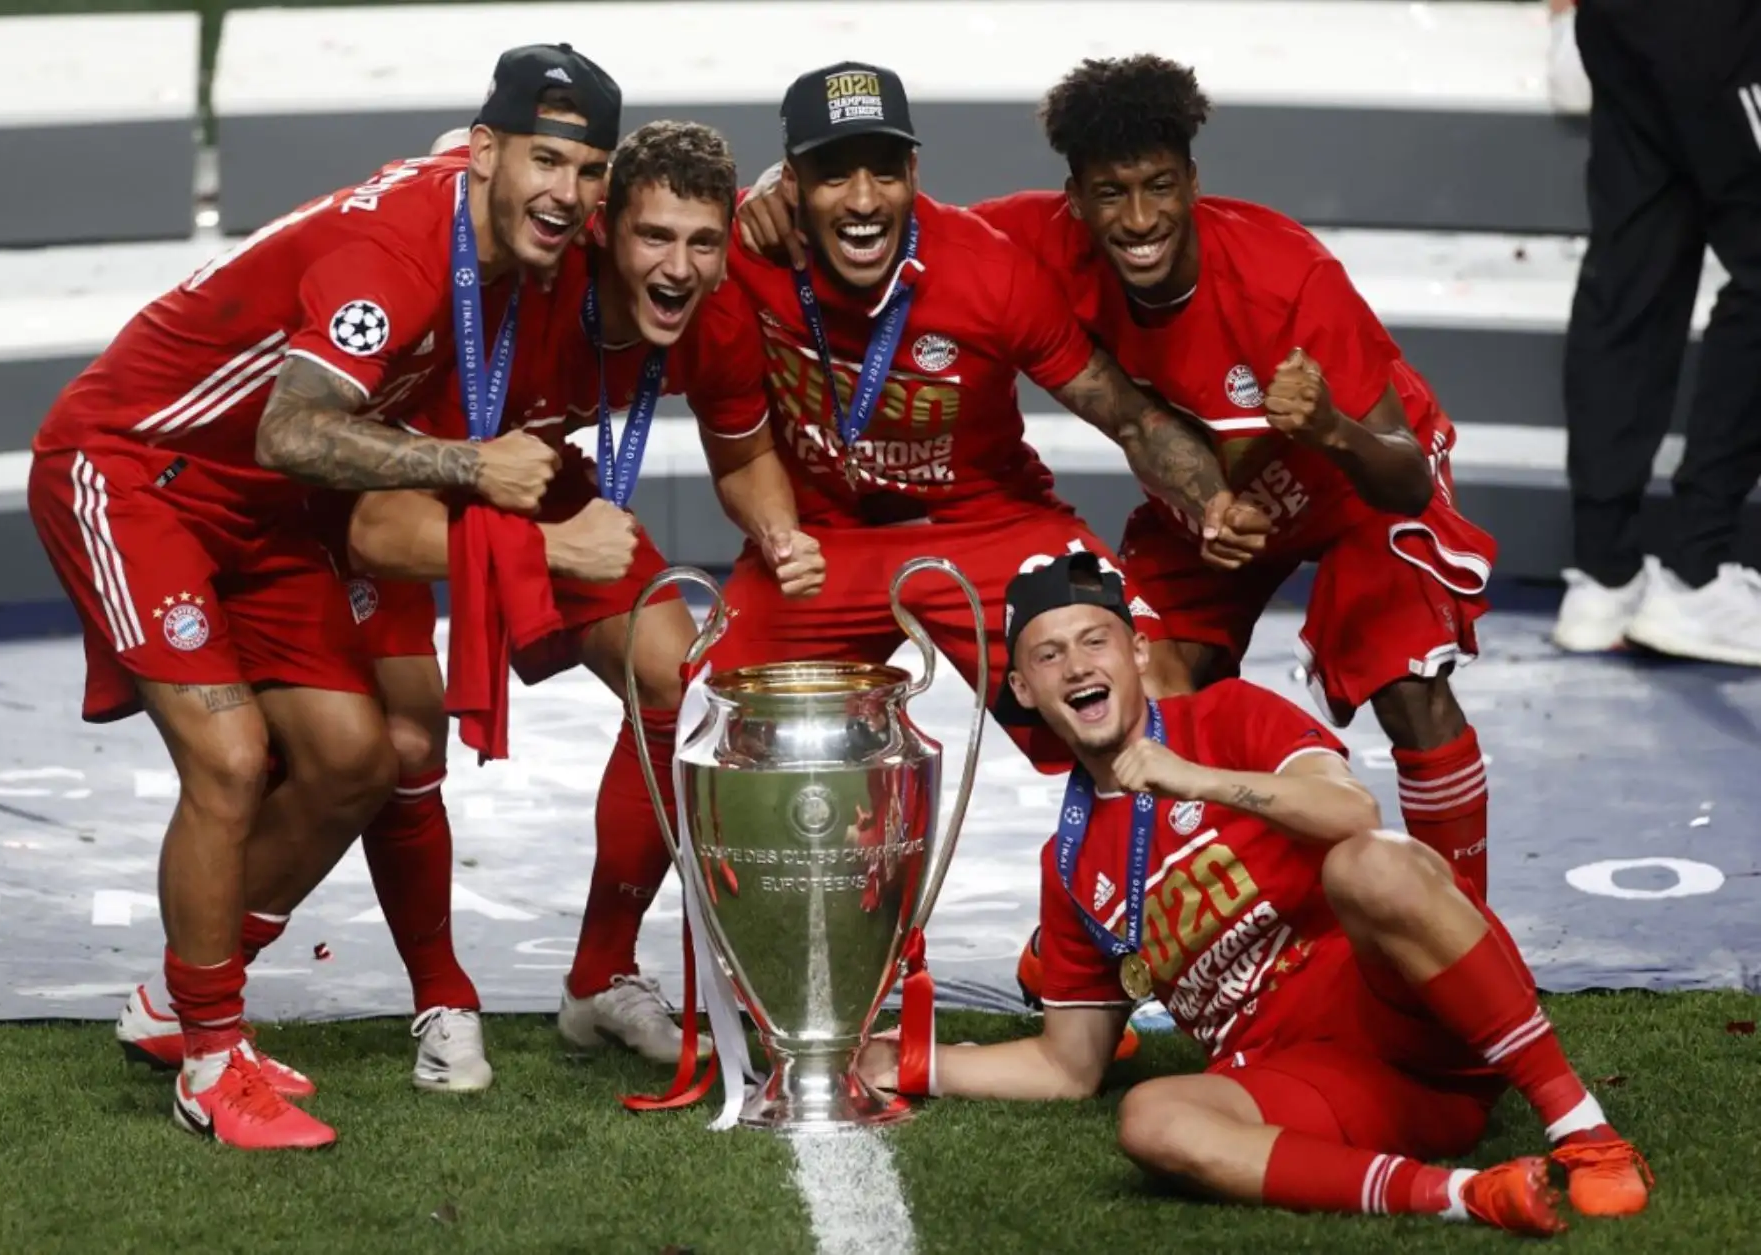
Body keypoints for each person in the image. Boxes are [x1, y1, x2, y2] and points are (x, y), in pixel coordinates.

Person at [29, 41, 617, 1149]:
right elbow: (289, 427)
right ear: (485, 150)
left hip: (266, 509)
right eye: (548, 161)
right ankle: (210, 1059)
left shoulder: (490, 226)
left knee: (360, 756)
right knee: (234, 759)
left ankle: (175, 1002)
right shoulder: (392, 255)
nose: (570, 194)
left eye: (588, 171)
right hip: (134, 469)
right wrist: (469, 466)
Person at [734, 57, 1495, 900]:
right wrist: (782, 185)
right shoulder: (1027, 243)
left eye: (1159, 188)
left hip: (1353, 479)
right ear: (1074, 196)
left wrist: (1331, 430)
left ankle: (1462, 925)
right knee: (1143, 687)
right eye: (1109, 194)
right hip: (1221, 499)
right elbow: (897, 224)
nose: (1138, 219)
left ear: (1193, 182)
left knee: (1407, 684)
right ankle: (1158, 926)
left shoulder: (1290, 278)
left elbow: (1405, 485)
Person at [859, 550, 1652, 1235]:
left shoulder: (1226, 717)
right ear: (1027, 691)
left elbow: (1355, 813)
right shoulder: (1069, 862)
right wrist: (917, 1062)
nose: (1076, 666)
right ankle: (1467, 1196)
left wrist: (1198, 780)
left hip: (1413, 1017)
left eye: (1094, 640)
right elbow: (1069, 1067)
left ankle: (1584, 1129)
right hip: (1311, 1087)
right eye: (1048, 655)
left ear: (1137, 651)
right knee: (1150, 1118)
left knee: (1368, 863)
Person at [339, 119, 824, 1064]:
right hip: (394, 472)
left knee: (683, 689)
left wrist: (779, 531)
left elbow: (747, 452)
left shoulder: (710, 315)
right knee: (402, 738)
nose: (680, 267)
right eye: (655, 238)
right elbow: (375, 523)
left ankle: (599, 977)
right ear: (605, 230)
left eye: (704, 242)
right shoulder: (523, 274)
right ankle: (440, 995)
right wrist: (552, 548)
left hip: (525, 470)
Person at [695, 61, 1264, 773]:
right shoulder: (743, 248)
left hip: (989, 523)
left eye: (884, 170)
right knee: (688, 714)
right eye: (834, 174)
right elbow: (627, 223)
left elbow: (1128, 418)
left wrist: (1211, 499)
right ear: (793, 182)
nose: (865, 199)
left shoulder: (991, 272)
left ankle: (1182, 877)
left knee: (1146, 694)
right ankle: (634, 891)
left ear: (913, 168)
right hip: (823, 538)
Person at [1552, 0, 1761, 666]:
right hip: (1715, 24)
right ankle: (1697, 574)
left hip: (1624, 19)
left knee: (1634, 266)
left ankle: (1604, 577)